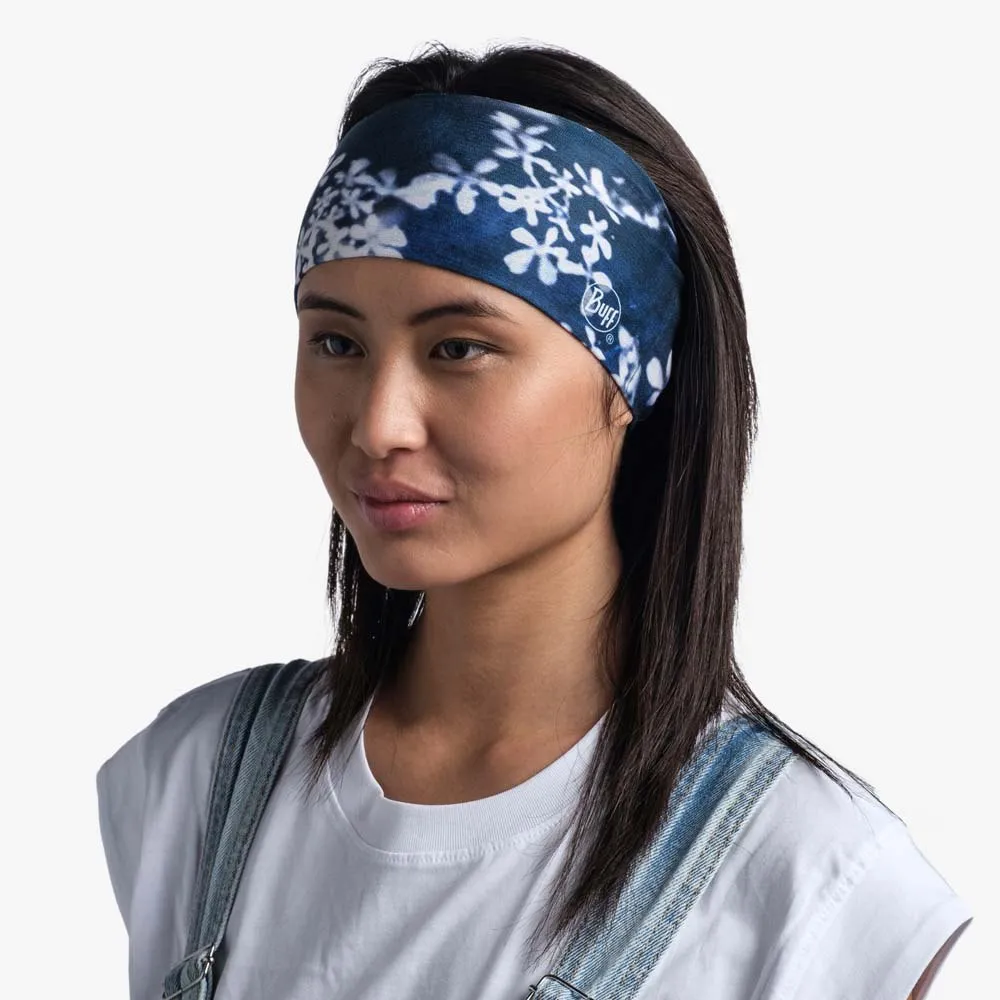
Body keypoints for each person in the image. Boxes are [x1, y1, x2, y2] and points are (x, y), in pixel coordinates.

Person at [96, 40, 973, 1000]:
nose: (379, 425)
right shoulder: (196, 780)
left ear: (629, 378)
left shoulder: (810, 886)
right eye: (337, 342)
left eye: (459, 348)